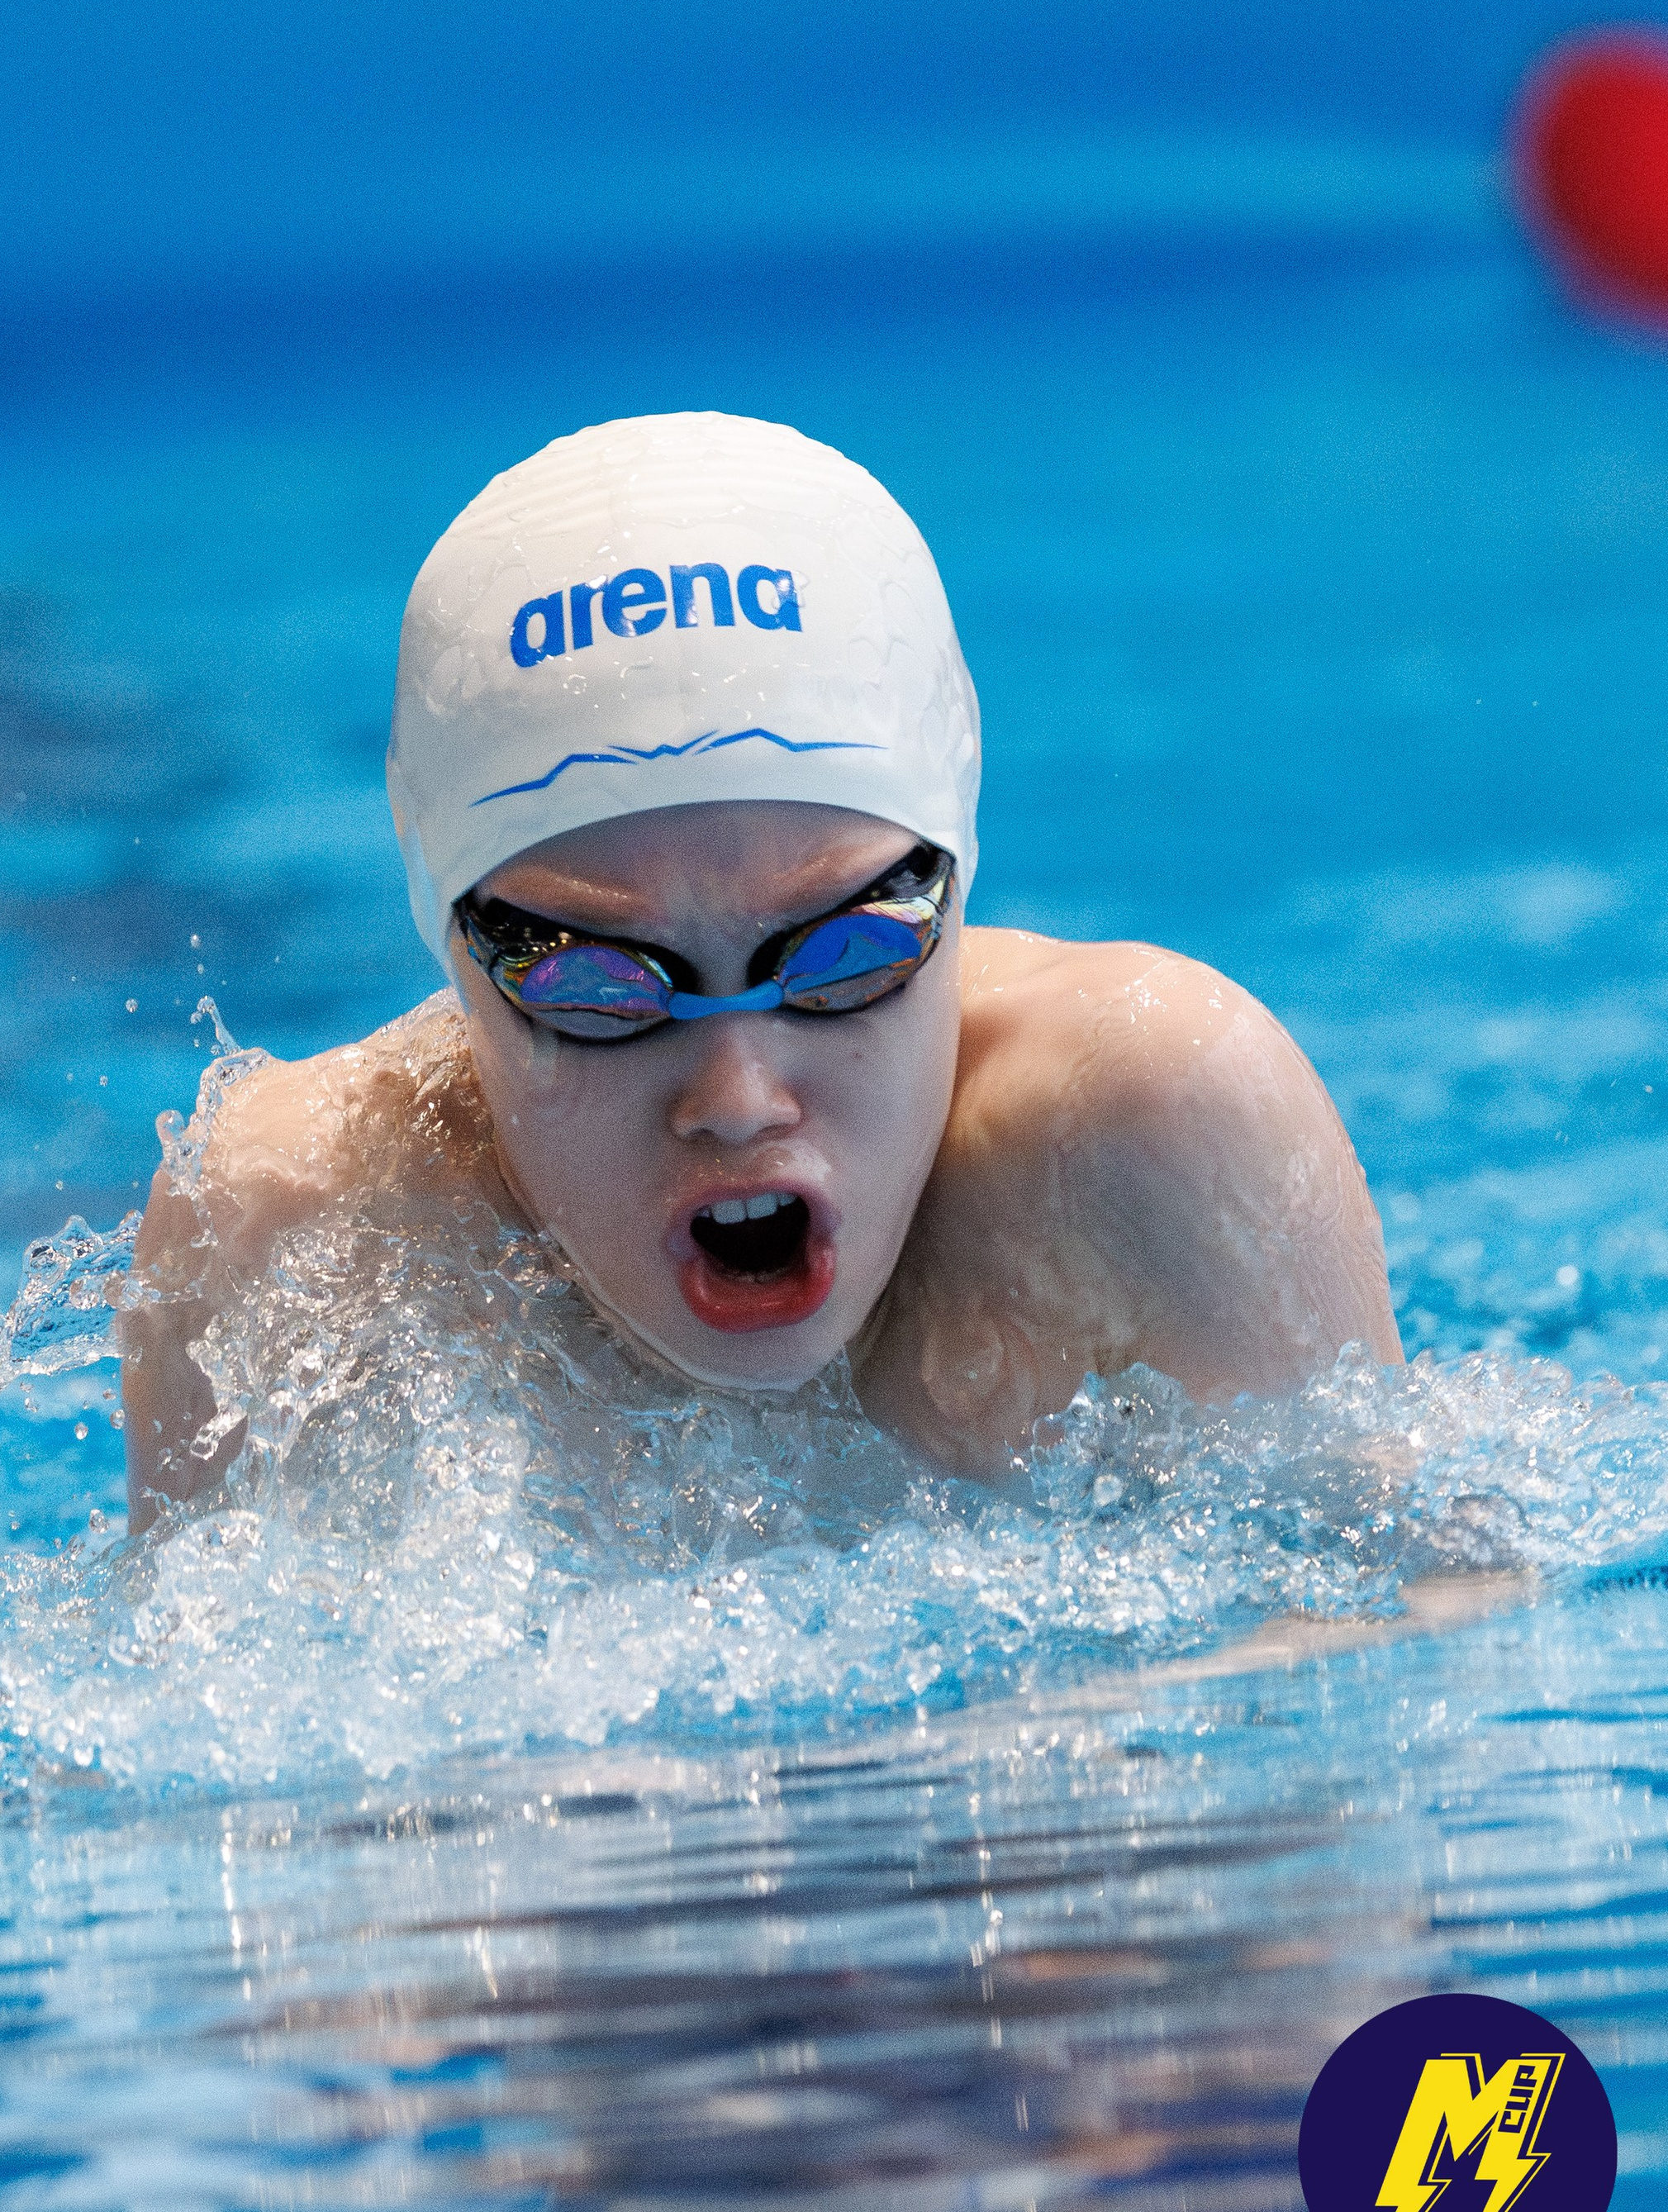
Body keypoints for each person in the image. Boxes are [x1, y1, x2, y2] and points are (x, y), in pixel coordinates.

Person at [119, 412, 1399, 1528]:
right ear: (453, 956)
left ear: (954, 891)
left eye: (849, 955)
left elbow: (1409, 1655)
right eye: (597, 987)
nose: (737, 1092)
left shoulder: (1152, 1131)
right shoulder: (293, 1234)